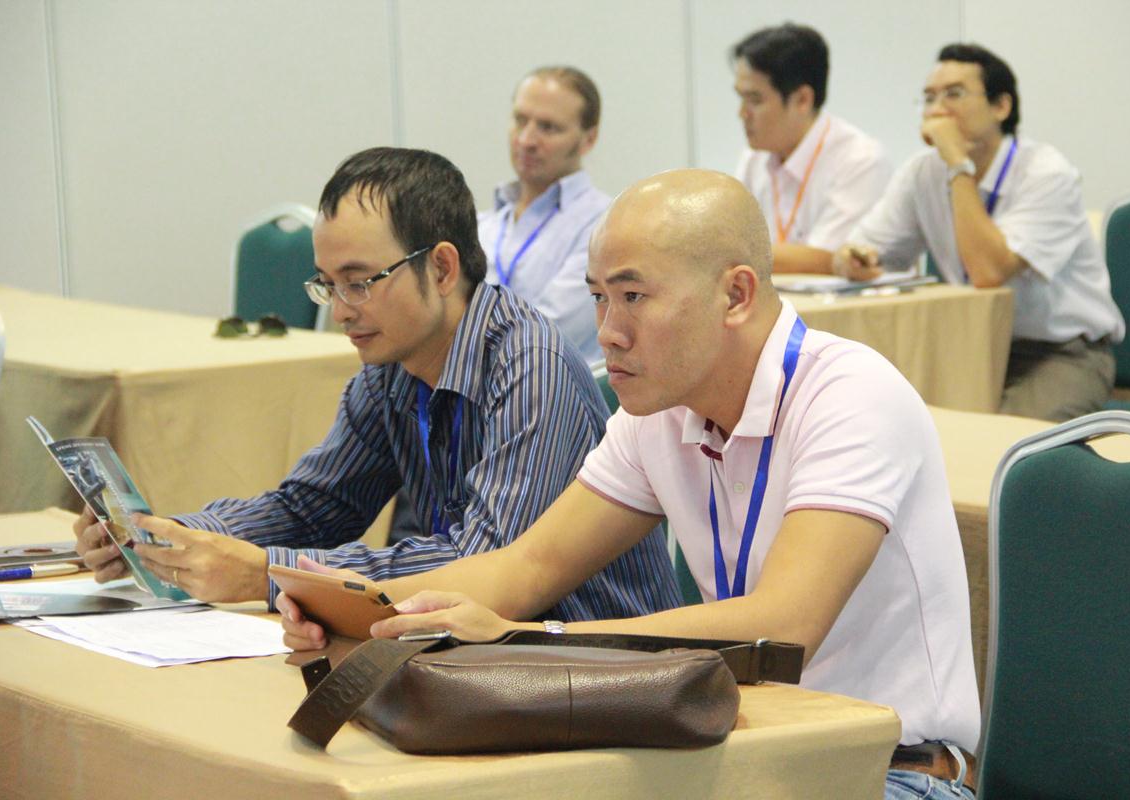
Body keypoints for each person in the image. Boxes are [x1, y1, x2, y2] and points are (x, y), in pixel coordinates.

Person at [281, 169, 981, 798]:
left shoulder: (850, 394)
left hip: (889, 772)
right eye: (598, 298)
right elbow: (526, 567)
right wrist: (359, 609)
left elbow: (785, 626)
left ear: (735, 294)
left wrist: (525, 637)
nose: (609, 333)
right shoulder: (658, 410)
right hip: (744, 756)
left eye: (634, 296)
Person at [71, 146, 681, 622]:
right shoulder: (392, 367)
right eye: (327, 284)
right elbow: (316, 507)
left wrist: (268, 573)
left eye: (360, 282)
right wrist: (174, 540)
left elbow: (479, 562)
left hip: (586, 659)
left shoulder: (528, 364)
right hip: (468, 652)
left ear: (441, 267)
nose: (340, 310)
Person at [835, 43, 1124, 422]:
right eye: (929, 98)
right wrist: (854, 260)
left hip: (1058, 353)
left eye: (954, 94)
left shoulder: (1046, 173)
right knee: (891, 421)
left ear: (1001, 106)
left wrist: (959, 165)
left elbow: (988, 272)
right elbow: (861, 248)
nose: (937, 109)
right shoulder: (922, 172)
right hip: (968, 345)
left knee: (1002, 441)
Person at [732, 24, 890, 275]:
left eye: (755, 100)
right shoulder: (754, 158)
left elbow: (830, 260)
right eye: (741, 98)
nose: (742, 113)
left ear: (802, 99)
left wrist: (730, 252)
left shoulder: (859, 159)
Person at [477, 66, 609, 365]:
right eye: (520, 120)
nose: (526, 140)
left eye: (548, 127)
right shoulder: (484, 225)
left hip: (553, 390)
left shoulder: (603, 226)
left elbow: (543, 337)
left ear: (588, 139)